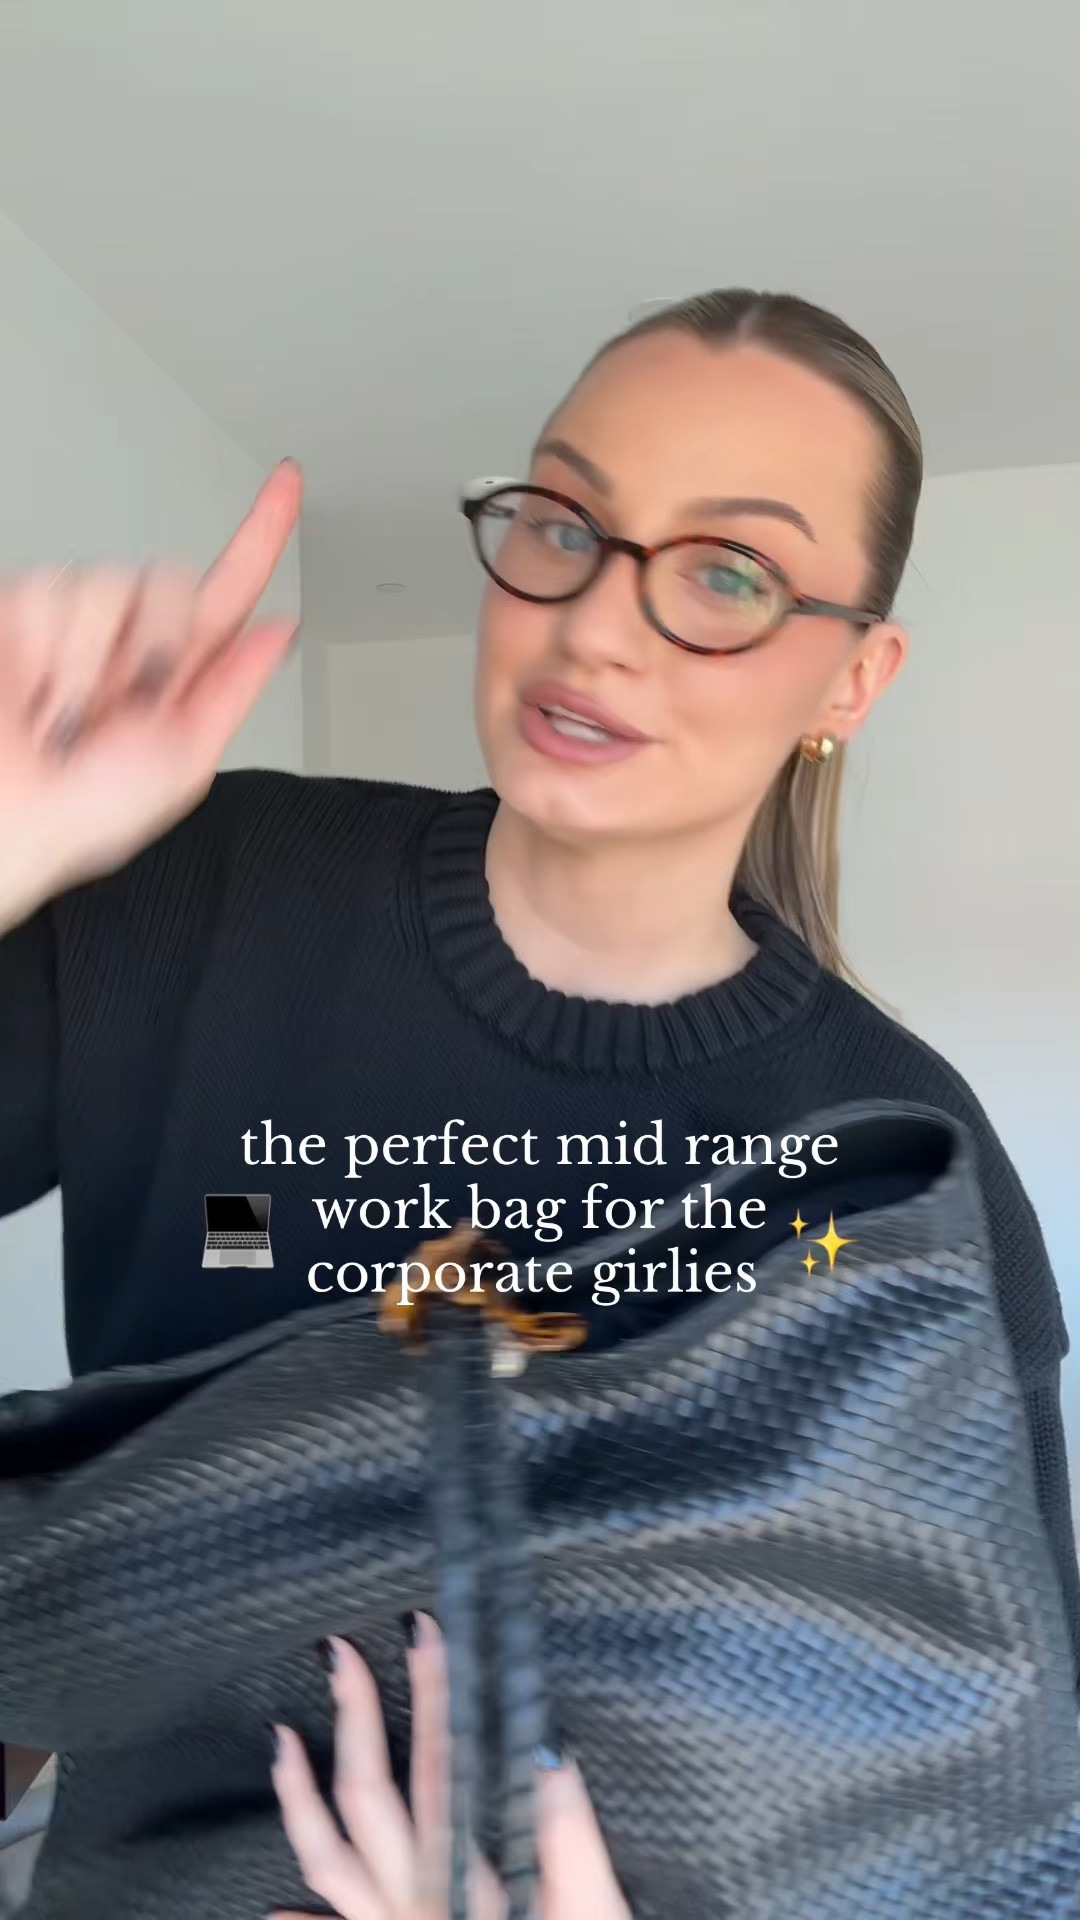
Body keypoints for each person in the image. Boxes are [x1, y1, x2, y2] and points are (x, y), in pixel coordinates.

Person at [1, 288, 1077, 1906]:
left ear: (854, 680)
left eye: (728, 572)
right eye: (566, 523)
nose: (596, 626)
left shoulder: (902, 1164)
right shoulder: (198, 889)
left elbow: (991, 1796)